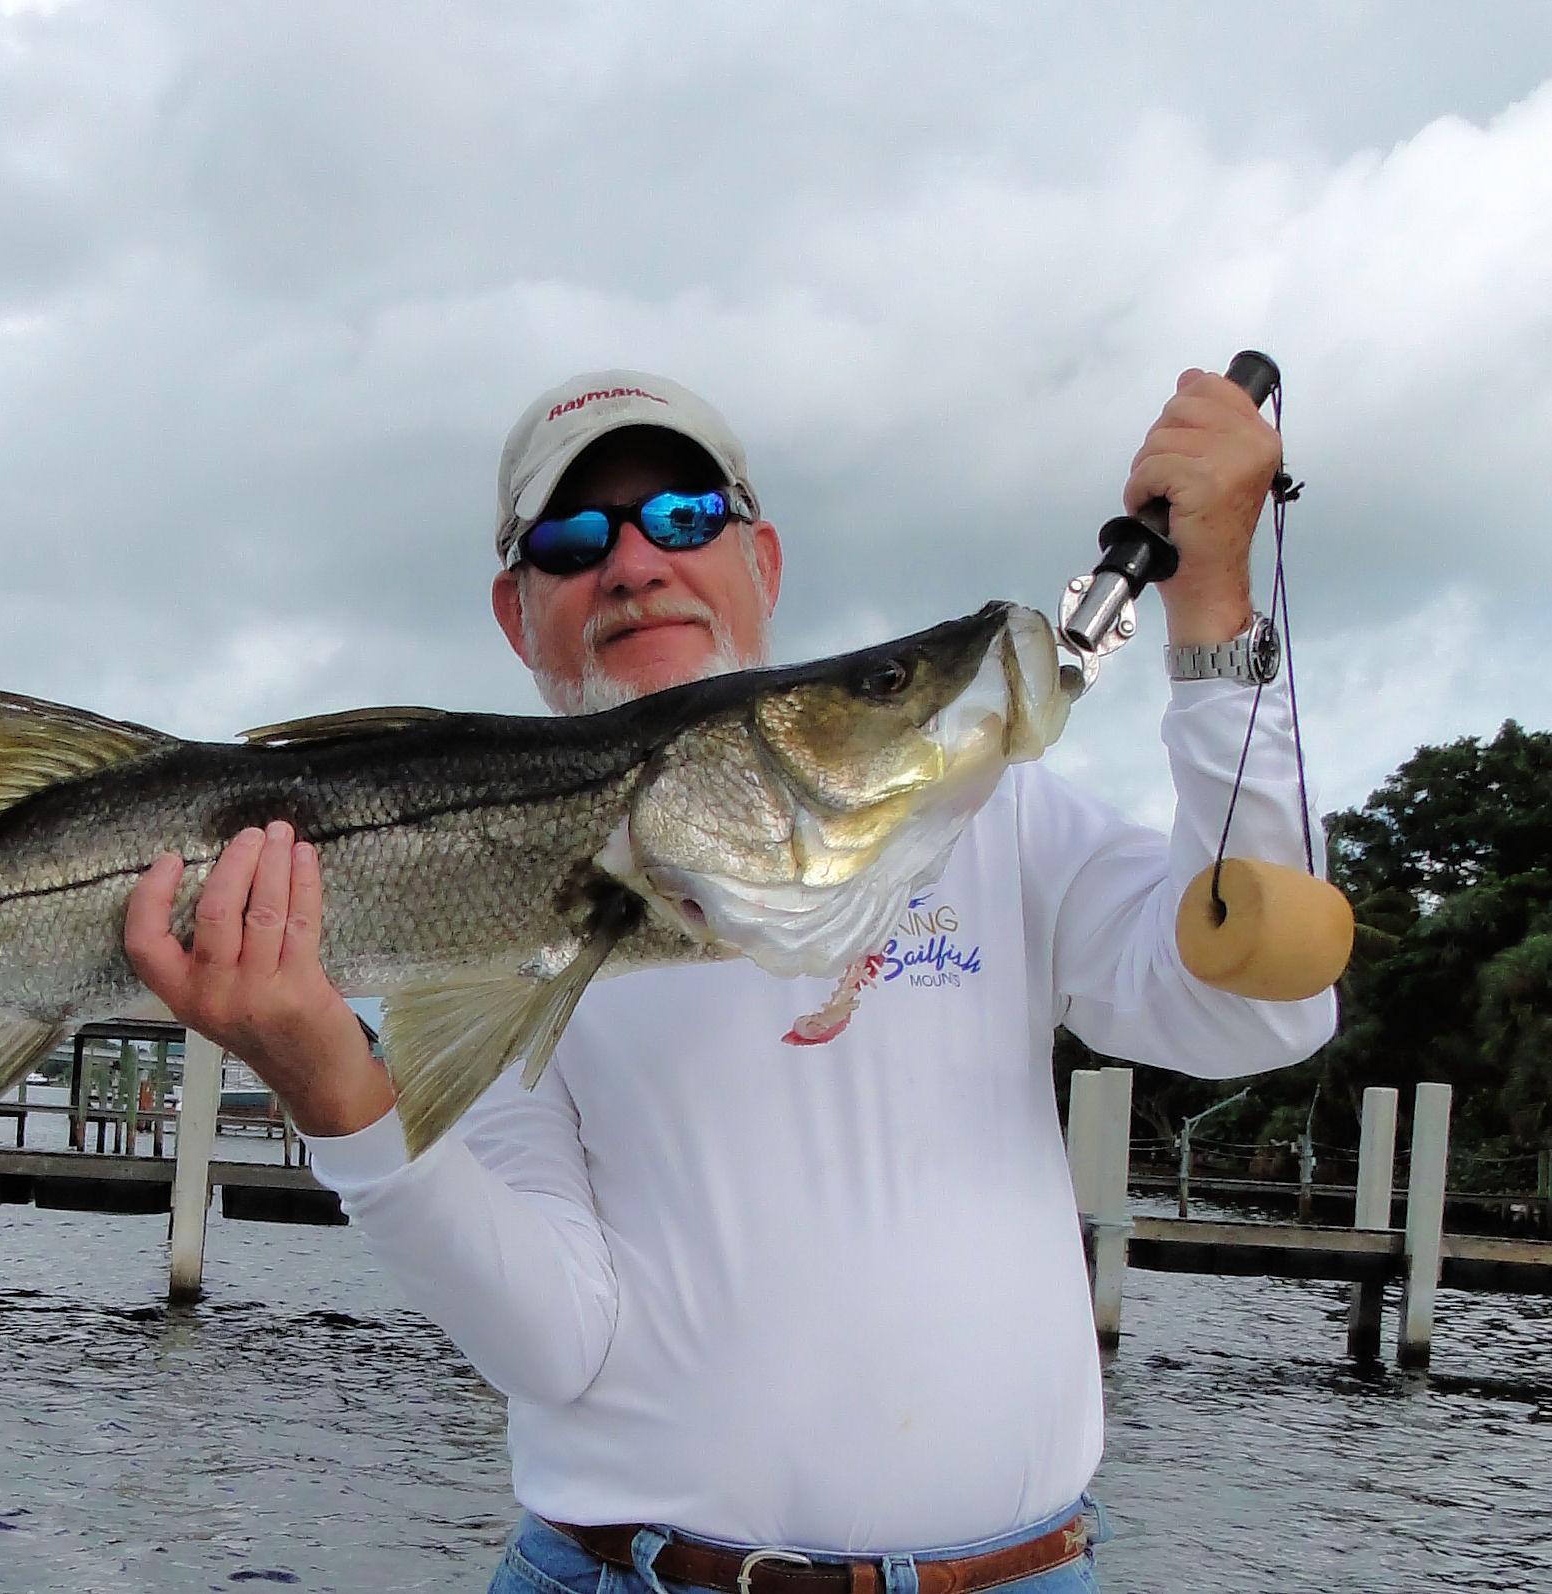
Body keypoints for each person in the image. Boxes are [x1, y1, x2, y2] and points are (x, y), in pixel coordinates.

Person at [123, 368, 1335, 1593]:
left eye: (687, 518)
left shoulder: (1001, 819)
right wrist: (336, 1090)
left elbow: (1264, 1000)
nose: (637, 561)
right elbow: (551, 1337)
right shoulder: (483, 893)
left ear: (764, 561)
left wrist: (1219, 621)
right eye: (574, 537)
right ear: (514, 611)